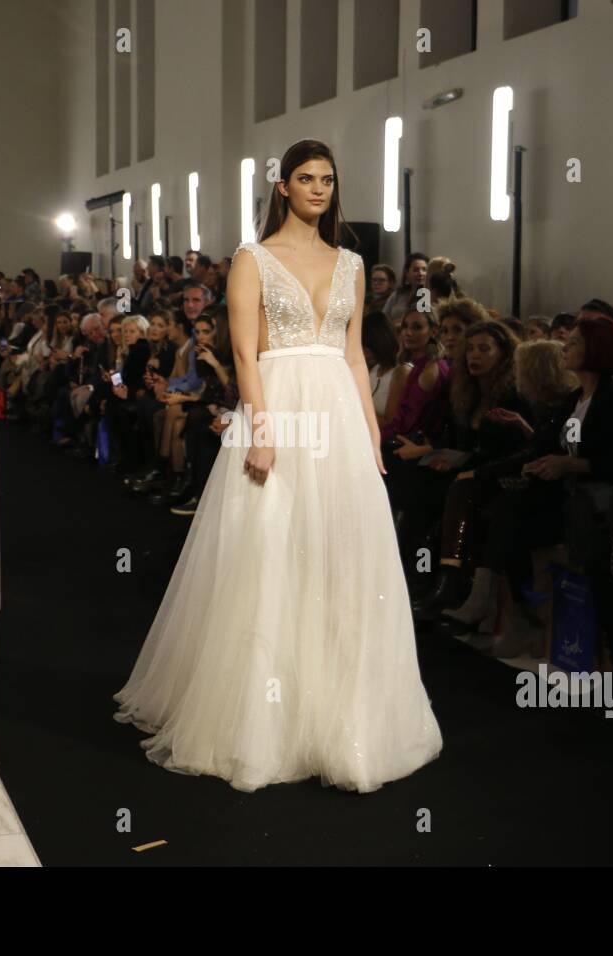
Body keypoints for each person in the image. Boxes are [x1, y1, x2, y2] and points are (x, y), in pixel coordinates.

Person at [113, 139, 443, 792]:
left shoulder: (350, 261)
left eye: (328, 178)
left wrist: (371, 430)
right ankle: (263, 723)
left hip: (341, 423)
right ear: (283, 187)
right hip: (280, 407)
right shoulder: (252, 258)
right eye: (305, 178)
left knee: (342, 557)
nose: (319, 188)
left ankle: (343, 718)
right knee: (268, 555)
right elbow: (242, 350)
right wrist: (260, 428)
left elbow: (353, 356)